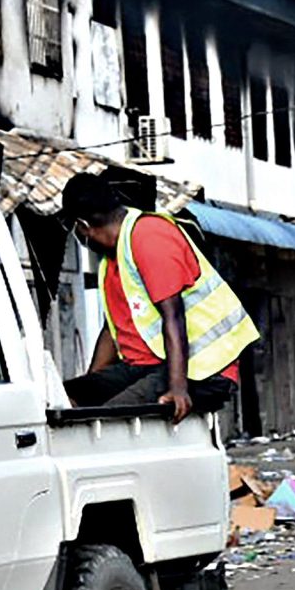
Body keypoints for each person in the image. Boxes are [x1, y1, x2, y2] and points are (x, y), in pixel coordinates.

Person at [60, 175, 257, 420]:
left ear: (83, 225)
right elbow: (112, 329)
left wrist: (178, 388)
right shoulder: (114, 258)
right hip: (148, 366)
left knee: (107, 420)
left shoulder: (149, 236)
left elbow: (173, 315)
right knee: (61, 397)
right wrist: (92, 386)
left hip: (202, 369)